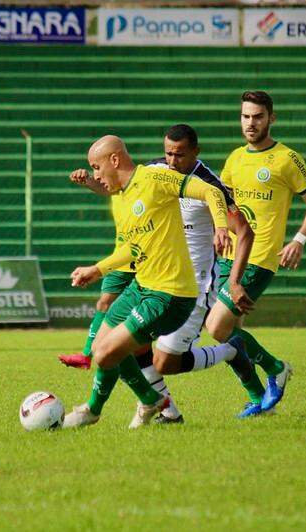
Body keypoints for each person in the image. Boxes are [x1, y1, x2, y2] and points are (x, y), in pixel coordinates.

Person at [60, 124, 256, 423]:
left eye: (97, 167)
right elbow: (134, 249)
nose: (96, 176)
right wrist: (97, 269)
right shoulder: (122, 199)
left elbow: (210, 191)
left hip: (170, 293)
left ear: (114, 160)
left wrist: (219, 226)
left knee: (112, 355)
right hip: (142, 286)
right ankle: (150, 402)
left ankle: (105, 409)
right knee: (104, 347)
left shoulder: (155, 176)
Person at [205, 90, 306, 418]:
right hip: (230, 257)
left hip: (259, 258)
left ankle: (276, 368)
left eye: (257, 116)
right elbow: (225, 204)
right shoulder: (234, 159)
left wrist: (298, 240)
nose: (250, 123)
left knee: (216, 328)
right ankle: (259, 401)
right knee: (232, 338)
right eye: (245, 116)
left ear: (271, 118)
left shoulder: (286, 158)